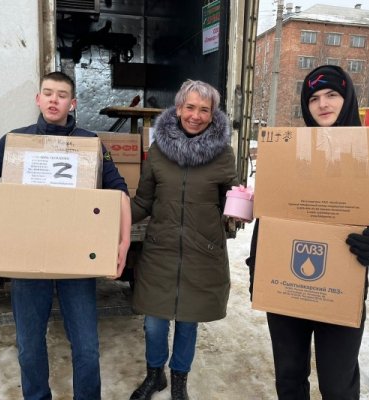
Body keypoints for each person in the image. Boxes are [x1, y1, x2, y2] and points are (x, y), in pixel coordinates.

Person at [0, 71, 131, 400]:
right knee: (29, 348)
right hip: (29, 258)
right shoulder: (14, 142)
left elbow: (120, 192)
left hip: (75, 258)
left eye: (61, 95)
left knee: (87, 348)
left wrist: (123, 246)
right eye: (48, 93)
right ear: (38, 99)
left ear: (73, 103)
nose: (54, 100)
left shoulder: (93, 145)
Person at [246, 65, 369, 399]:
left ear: (347, 99)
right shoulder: (292, 152)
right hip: (287, 279)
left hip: (342, 283)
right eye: (313, 98)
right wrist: (257, 268)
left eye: (332, 94)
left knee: (337, 382)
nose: (323, 104)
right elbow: (271, 217)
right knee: (289, 377)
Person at [128, 80, 239, 400]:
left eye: (204, 109)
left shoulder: (222, 153)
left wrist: (242, 205)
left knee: (188, 323)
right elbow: (143, 201)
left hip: (202, 251)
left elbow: (231, 196)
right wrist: (111, 217)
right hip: (161, 249)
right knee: (154, 324)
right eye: (190, 107)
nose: (196, 115)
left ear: (212, 114)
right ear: (178, 109)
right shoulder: (159, 150)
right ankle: (154, 375)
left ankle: (179, 381)